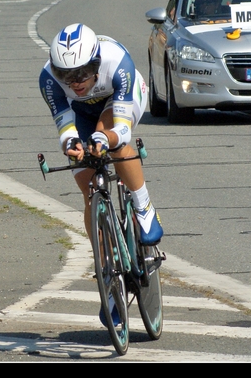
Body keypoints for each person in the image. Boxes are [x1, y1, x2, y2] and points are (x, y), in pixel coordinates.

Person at [39, 23, 164, 326]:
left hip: (120, 100)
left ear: (96, 63)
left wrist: (103, 139)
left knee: (111, 140)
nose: (75, 82)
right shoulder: (48, 79)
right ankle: (107, 268)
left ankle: (144, 207)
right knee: (87, 184)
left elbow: (120, 128)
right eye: (66, 75)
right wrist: (71, 144)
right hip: (81, 113)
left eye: (82, 73)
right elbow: (65, 127)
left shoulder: (117, 62)